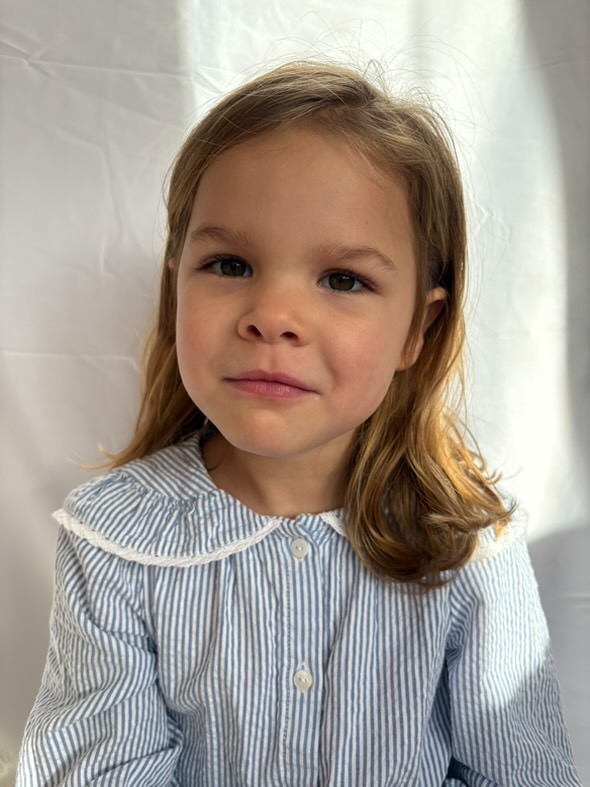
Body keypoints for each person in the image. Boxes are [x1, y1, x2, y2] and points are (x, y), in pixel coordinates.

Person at [16, 61, 581, 786]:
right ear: (175, 283)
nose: (273, 317)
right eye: (230, 264)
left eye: (343, 280)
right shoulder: (114, 540)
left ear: (419, 328)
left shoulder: (470, 546)